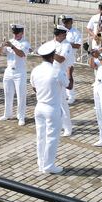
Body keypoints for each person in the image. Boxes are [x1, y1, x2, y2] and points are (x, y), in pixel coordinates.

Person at [30, 40, 72, 174]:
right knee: (52, 137)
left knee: (40, 136)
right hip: (52, 108)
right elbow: (69, 86)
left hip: (39, 106)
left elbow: (34, 87)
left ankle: (41, 162)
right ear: (53, 55)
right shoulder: (56, 71)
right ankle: (49, 165)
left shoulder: (35, 70)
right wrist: (70, 73)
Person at [0, 24, 31, 125]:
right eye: (14, 33)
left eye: (17, 33)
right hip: (9, 71)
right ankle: (7, 114)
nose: (15, 35)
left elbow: (22, 54)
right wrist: (2, 45)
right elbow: (0, 52)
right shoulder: (10, 41)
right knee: (7, 94)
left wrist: (12, 47)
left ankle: (21, 116)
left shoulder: (25, 43)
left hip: (19, 72)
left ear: (22, 32)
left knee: (21, 95)